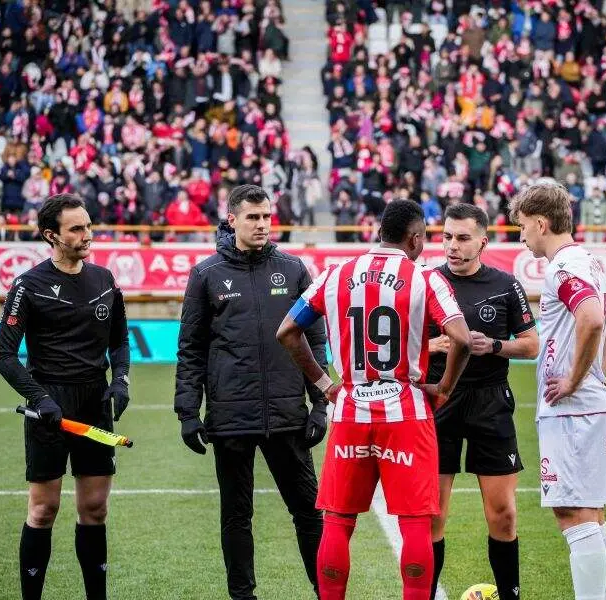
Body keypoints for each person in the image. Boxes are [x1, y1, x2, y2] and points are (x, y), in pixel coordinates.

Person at [275, 199, 472, 600]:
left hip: (349, 409)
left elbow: (287, 331)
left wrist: (325, 384)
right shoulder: (424, 278)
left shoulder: (334, 275)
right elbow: (463, 339)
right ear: (415, 238)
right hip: (407, 412)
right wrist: (446, 387)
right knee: (416, 523)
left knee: (337, 522)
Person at [174, 184, 329, 600]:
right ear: (232, 220)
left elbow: (315, 341)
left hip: (287, 415)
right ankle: (242, 596)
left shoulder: (294, 270)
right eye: (253, 217)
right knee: (236, 516)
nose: (262, 225)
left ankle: (326, 592)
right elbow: (190, 348)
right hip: (231, 418)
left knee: (310, 513)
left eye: (266, 217)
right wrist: (187, 411)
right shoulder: (207, 275)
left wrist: (320, 404)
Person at [0, 194, 131, 600]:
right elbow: (3, 355)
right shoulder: (28, 284)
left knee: (95, 510)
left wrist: (120, 379)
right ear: (51, 235)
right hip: (48, 407)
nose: (87, 234)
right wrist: (40, 398)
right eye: (76, 228)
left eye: (88, 226)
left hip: (93, 406)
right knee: (43, 510)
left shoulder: (105, 279)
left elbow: (120, 340)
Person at [509, 184, 606, 600]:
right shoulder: (588, 262)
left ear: (542, 223)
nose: (521, 235)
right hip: (589, 407)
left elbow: (594, 319)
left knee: (573, 515)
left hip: (572, 410)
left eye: (522, 226)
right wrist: (598, 373)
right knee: (591, 515)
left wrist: (577, 379)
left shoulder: (563, 267)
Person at [426, 204, 538, 600]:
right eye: (446, 237)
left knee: (503, 514)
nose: (451, 246)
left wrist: (494, 345)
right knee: (432, 516)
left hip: (491, 402)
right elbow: (398, 349)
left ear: (483, 242)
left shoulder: (505, 284)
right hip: (439, 400)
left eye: (462, 238)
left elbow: (531, 344)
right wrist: (432, 344)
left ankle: (511, 595)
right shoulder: (425, 282)